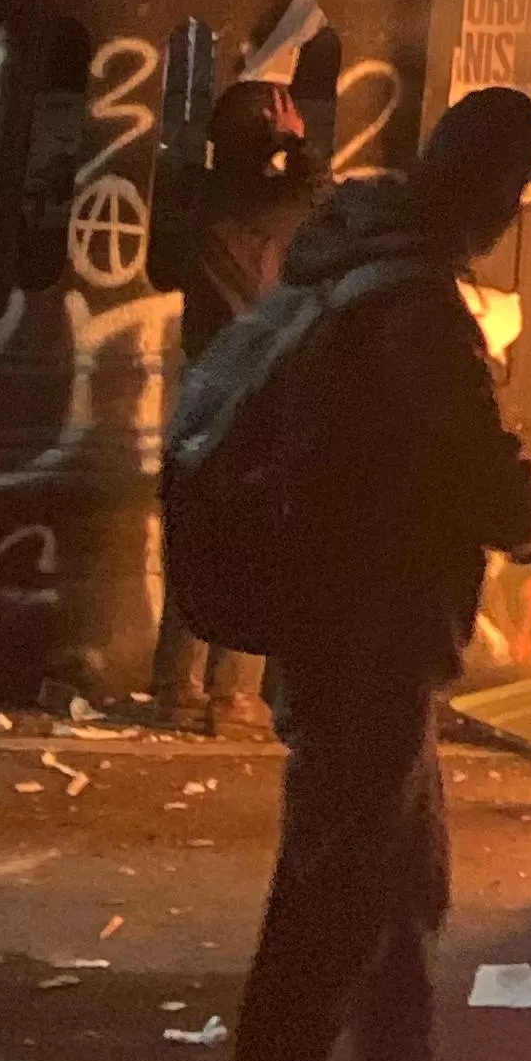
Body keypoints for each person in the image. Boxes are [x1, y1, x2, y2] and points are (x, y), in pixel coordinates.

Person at [208, 85, 531, 1061]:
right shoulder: (411, 301)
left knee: (392, 911)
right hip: (366, 658)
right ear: (489, 184)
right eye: (513, 195)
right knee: (317, 944)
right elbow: (478, 472)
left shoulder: (347, 264)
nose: (509, 217)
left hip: (358, 657)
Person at [152, 78, 326, 734]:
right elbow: (326, 203)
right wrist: (299, 147)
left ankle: (174, 688)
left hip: (203, 381)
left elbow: (167, 268)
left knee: (193, 524)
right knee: (257, 537)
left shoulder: (195, 198)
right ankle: (231, 697)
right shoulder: (285, 203)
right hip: (265, 387)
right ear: (273, 140)